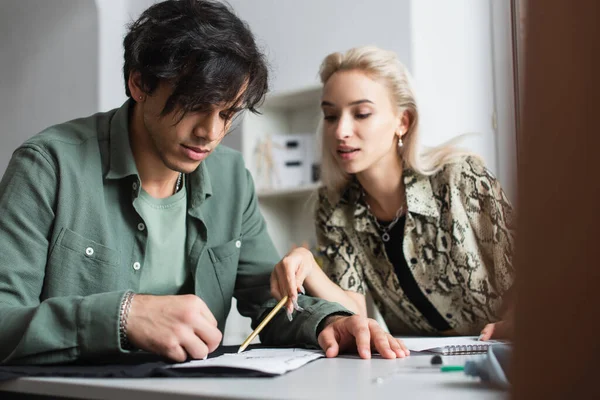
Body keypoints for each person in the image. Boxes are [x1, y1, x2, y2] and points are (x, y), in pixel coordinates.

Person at [0, 2, 409, 365]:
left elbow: (269, 296)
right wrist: (124, 316)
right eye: (195, 106)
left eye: (228, 113)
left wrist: (330, 322)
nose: (211, 133)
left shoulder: (231, 177)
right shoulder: (48, 165)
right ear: (139, 84)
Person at [270, 46, 515, 338]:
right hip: (421, 366)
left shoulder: (460, 178)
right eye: (331, 116)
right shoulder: (333, 207)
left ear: (403, 122)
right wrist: (309, 267)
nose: (340, 131)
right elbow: (353, 314)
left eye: (361, 113)